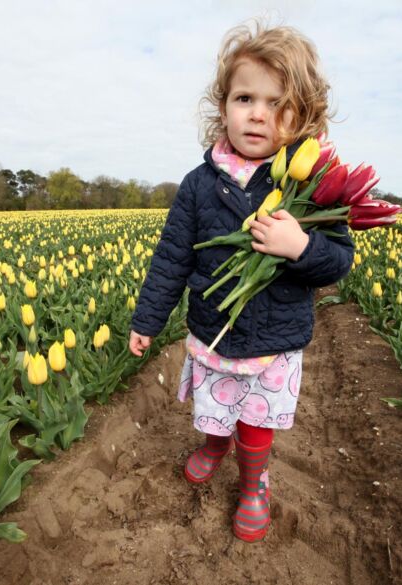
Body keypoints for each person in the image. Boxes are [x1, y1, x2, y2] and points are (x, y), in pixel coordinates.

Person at [128, 21, 354, 542]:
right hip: (214, 329)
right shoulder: (198, 184)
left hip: (274, 340)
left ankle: (254, 482)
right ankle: (213, 445)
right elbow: (171, 258)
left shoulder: (314, 188)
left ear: (304, 116)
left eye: (277, 103)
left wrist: (300, 246)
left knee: (255, 419)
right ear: (222, 105)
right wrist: (147, 319)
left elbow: (337, 261)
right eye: (244, 97)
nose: (257, 113)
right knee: (213, 409)